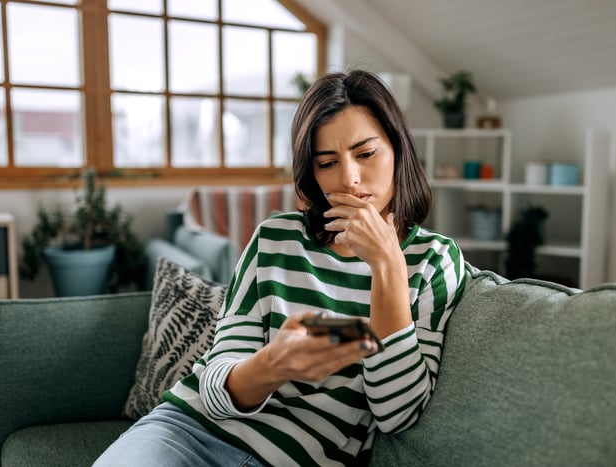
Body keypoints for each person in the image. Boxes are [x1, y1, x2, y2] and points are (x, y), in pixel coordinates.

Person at [94, 69, 466, 467]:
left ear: (398, 149)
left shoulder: (433, 260)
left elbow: (397, 415)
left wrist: (388, 265)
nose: (349, 178)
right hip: (187, 433)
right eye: (327, 163)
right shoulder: (275, 238)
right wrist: (274, 363)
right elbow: (216, 391)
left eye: (366, 154)